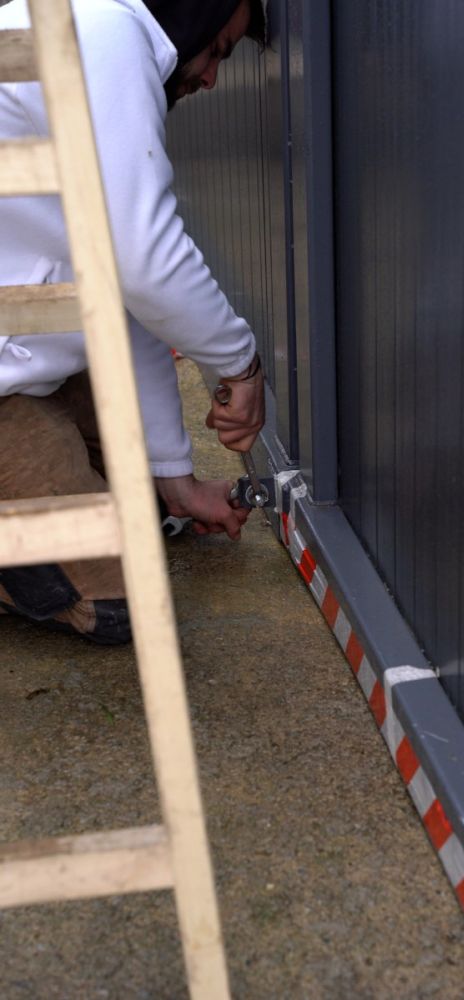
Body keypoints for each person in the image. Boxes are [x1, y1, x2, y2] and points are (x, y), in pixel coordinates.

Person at [0, 0, 267, 643]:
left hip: (23, 364)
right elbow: (145, 263)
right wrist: (240, 366)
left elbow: (126, 295)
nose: (211, 77)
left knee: (145, 505)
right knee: (114, 601)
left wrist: (177, 482)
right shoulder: (100, 30)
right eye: (218, 49)